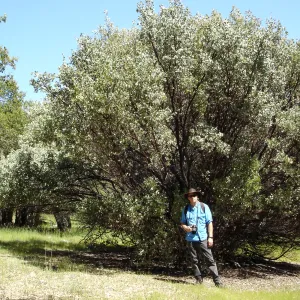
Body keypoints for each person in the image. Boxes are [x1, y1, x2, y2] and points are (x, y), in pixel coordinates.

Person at [180, 188, 223, 287]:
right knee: (194, 261)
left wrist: (210, 237)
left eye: (194, 195)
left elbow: (209, 223)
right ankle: (199, 280)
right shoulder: (186, 209)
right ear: (188, 198)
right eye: (190, 195)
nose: (193, 197)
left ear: (197, 196)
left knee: (210, 260)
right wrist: (185, 228)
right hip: (191, 239)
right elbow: (182, 223)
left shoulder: (204, 207)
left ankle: (217, 282)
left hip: (203, 238)